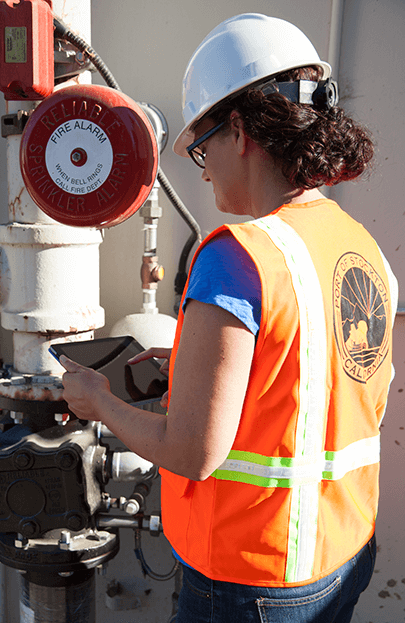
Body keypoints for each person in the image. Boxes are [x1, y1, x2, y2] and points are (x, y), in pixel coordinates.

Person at [61, 13, 398, 623]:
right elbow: (314, 371)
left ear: (238, 129)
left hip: (253, 581)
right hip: (343, 555)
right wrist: (197, 367)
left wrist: (100, 403)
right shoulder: (358, 246)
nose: (204, 166)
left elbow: (192, 452)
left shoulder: (236, 256)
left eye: (202, 146)